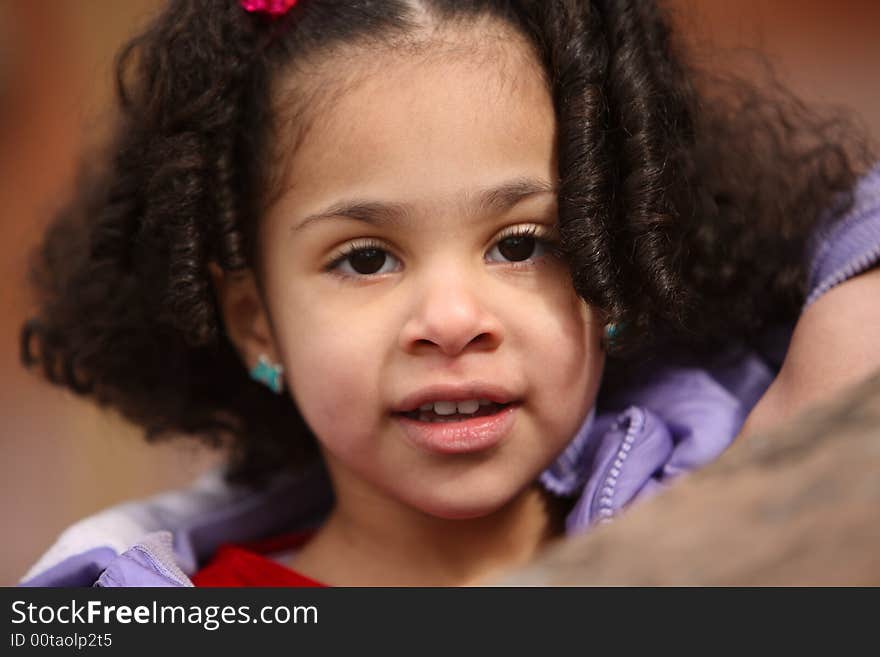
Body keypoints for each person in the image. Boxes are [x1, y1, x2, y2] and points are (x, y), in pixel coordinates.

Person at [18, 0, 880, 587]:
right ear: (258, 324)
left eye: (519, 244)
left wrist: (805, 393)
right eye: (365, 259)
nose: (452, 321)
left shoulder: (716, 488)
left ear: (616, 261)